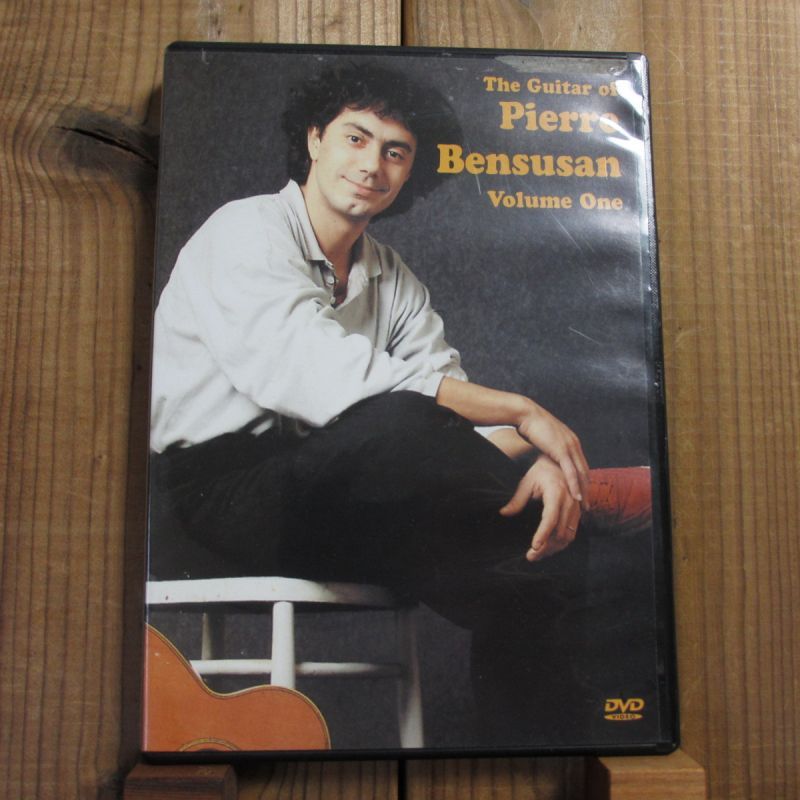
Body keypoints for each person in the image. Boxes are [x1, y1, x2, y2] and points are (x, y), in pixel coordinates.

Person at [149, 61, 654, 746]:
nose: (372, 164)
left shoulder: (394, 280)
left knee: (534, 576)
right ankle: (585, 498)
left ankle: (533, 762)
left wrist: (542, 461)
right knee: (399, 417)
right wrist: (521, 410)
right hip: (210, 504)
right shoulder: (243, 230)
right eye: (356, 138)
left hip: (342, 501)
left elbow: (449, 426)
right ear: (315, 139)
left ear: (411, 169)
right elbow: (318, 374)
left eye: (396, 151)